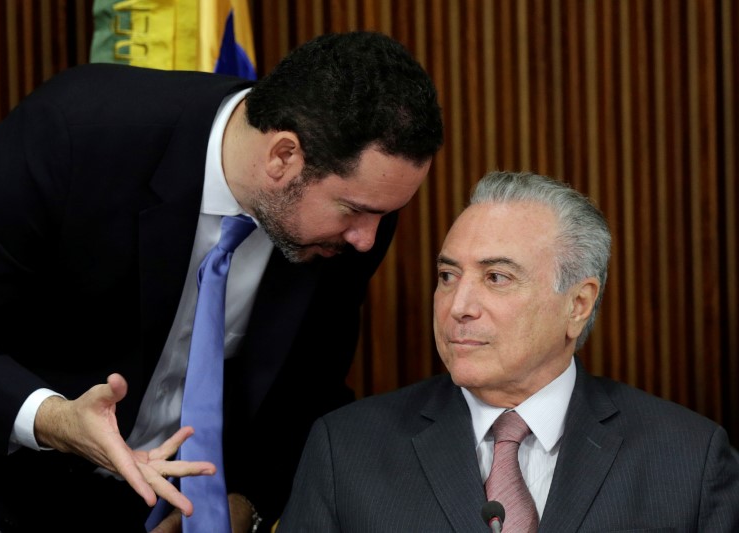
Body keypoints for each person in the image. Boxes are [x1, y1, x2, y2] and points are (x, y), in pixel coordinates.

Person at [0, 31, 443, 533]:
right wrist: (55, 419)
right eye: (355, 211)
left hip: (168, 512)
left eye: (383, 215)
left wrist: (243, 503)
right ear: (283, 157)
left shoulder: (356, 220)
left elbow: (307, 393)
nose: (367, 240)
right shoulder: (75, 134)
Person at [277, 171, 739, 532]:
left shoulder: (689, 456)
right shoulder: (346, 450)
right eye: (447, 276)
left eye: (496, 277)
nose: (458, 306)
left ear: (578, 304)